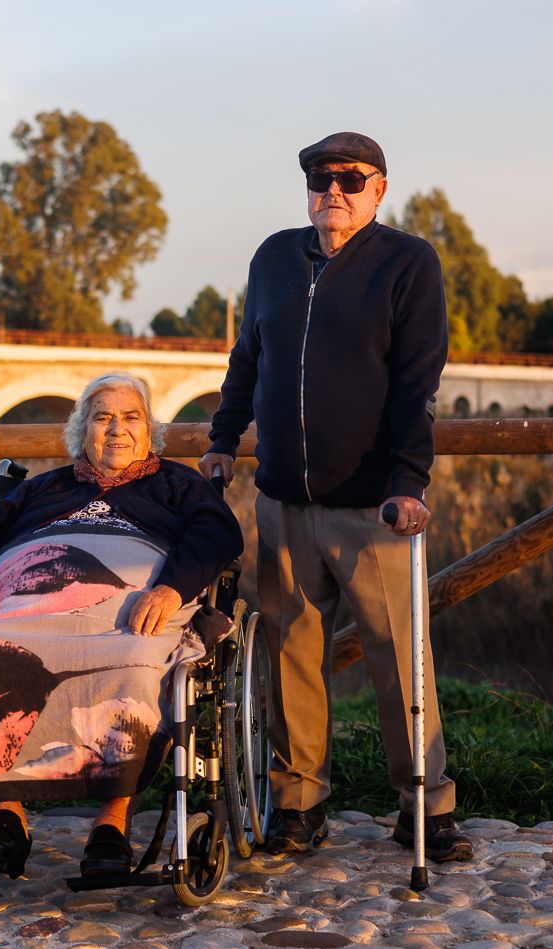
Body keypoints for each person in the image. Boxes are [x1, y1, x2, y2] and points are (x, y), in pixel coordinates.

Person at [199, 131, 471, 862]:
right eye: (321, 179)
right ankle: (299, 805)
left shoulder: (408, 263)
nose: (334, 192)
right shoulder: (273, 258)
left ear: (380, 190)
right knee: (290, 654)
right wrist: (224, 440)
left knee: (398, 659)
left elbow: (419, 382)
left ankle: (425, 807)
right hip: (284, 500)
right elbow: (247, 360)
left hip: (371, 506)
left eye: (352, 180)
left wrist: (409, 482)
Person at [0, 372, 244, 877]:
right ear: (82, 432)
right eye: (102, 418)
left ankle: (111, 822)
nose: (116, 429)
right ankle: (5, 815)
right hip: (26, 609)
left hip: (129, 614)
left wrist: (170, 589)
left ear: (150, 432)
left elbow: (218, 533)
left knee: (136, 666)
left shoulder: (177, 485)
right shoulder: (44, 489)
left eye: (130, 417)